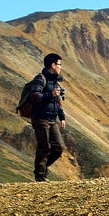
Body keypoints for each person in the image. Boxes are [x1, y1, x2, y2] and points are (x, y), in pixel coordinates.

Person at [30, 53, 67, 181]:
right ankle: (40, 176)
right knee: (44, 147)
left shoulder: (55, 82)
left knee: (58, 148)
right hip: (40, 118)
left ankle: (42, 168)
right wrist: (50, 95)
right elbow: (34, 96)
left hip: (52, 120)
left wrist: (62, 117)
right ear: (53, 65)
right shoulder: (40, 79)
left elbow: (58, 102)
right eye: (59, 65)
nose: (60, 67)